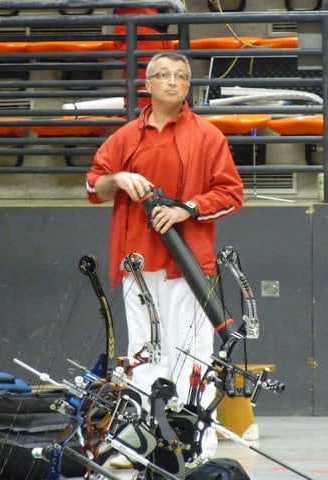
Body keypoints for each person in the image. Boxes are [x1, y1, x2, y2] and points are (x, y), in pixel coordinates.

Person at [86, 52, 244, 461]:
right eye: (163, 75)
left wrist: (187, 209)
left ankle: (195, 446)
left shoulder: (208, 136)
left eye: (180, 76)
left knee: (192, 354)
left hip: (187, 266)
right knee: (143, 353)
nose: (172, 81)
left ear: (188, 86)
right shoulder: (125, 137)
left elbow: (231, 194)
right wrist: (118, 178)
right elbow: (94, 187)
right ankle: (143, 444)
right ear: (148, 84)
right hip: (137, 264)